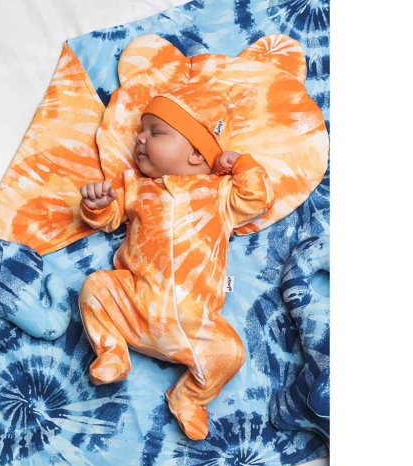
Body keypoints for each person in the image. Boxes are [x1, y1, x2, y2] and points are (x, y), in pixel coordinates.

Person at [78, 93, 274, 440]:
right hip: (134, 303)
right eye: (140, 131)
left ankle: (189, 397)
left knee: (230, 353)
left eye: (155, 132)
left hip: (195, 321)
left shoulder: (220, 194)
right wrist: (97, 205)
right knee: (95, 286)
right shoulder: (136, 189)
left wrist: (241, 164)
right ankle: (112, 351)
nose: (140, 138)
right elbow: (108, 219)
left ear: (196, 153)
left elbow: (257, 197)